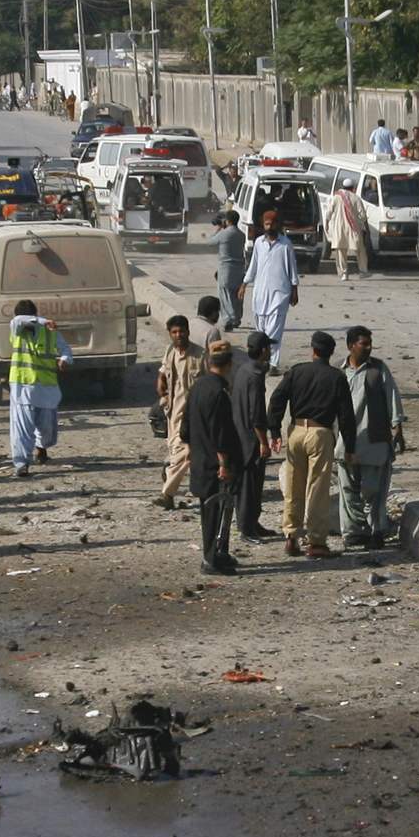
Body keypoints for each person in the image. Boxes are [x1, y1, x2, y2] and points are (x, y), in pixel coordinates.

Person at [267, 331, 352, 559]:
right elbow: (346, 416)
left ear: (312, 350)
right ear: (330, 353)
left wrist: (274, 430)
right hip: (321, 433)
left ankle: (291, 537)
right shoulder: (337, 377)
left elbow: (277, 399)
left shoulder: (297, 372)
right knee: (317, 488)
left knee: (294, 486)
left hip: (296, 432)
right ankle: (316, 542)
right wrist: (350, 447)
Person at [338, 325, 405, 552]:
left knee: (374, 492)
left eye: (369, 344)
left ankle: (376, 532)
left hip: (374, 442)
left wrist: (397, 427)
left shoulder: (378, 370)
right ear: (350, 346)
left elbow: (392, 397)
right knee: (348, 492)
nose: (368, 348)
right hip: (346, 444)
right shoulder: (340, 373)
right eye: (363, 344)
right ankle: (353, 533)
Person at [185, 342, 246, 577]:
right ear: (228, 365)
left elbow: (185, 428)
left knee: (213, 510)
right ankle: (211, 559)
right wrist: (223, 463)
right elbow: (220, 433)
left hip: (201, 459)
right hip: (215, 465)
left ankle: (219, 552)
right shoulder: (218, 393)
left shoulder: (198, 387)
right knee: (215, 511)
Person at [5, 301, 73, 478]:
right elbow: (18, 320)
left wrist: (65, 359)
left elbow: (65, 349)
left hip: (46, 388)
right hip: (22, 387)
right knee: (21, 428)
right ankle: (21, 464)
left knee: (46, 429)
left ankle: (41, 448)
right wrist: (43, 320)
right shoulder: (17, 329)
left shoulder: (50, 332)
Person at [151, 315, 202, 510]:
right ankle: (169, 477)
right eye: (174, 332)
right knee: (177, 454)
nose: (179, 335)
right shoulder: (170, 351)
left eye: (182, 331)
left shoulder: (200, 356)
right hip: (173, 414)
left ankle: (167, 493)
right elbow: (163, 373)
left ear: (188, 332)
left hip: (192, 417)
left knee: (185, 453)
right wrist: (161, 386)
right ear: (170, 334)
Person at [230, 332, 275, 544]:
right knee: (249, 486)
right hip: (250, 440)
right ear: (264, 350)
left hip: (239, 435)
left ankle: (252, 523)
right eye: (269, 348)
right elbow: (256, 415)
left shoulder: (244, 370)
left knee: (253, 486)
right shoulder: (254, 376)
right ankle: (246, 529)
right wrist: (264, 443)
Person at [241, 215, 299, 362]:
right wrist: (244, 284)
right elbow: (253, 266)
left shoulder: (286, 244)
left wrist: (294, 290)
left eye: (272, 224)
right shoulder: (259, 243)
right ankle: (261, 359)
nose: (269, 227)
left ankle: (273, 363)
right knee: (260, 331)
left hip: (280, 295)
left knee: (274, 332)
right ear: (263, 225)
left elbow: (292, 269)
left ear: (278, 225)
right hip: (260, 294)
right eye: (267, 224)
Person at [212, 215, 248, 334]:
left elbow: (210, 242)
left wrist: (219, 229)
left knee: (225, 295)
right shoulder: (241, 234)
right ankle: (237, 319)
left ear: (227, 221)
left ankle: (229, 320)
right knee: (237, 295)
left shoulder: (224, 234)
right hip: (239, 268)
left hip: (226, 268)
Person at [324, 179, 367, 279]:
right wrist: (363, 225)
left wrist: (326, 224)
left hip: (339, 229)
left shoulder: (336, 197)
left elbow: (328, 213)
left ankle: (344, 273)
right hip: (353, 228)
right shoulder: (356, 198)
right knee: (360, 250)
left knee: (341, 251)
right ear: (353, 188)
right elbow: (363, 216)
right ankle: (363, 271)